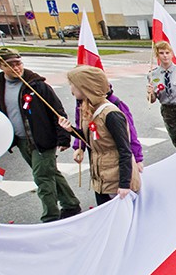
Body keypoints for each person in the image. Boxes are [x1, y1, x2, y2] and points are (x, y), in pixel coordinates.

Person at [0, 47, 81, 222]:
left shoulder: (37, 85)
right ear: (1, 66)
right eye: (11, 65)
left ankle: (50, 217)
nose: (17, 68)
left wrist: (63, 137)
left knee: (42, 177)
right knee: (50, 173)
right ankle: (71, 204)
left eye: (19, 63)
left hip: (43, 139)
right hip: (22, 140)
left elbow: (57, 111)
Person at [59, 65, 140, 205]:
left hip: (115, 180)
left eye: (73, 85)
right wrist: (71, 130)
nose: (71, 89)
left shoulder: (111, 114)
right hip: (101, 178)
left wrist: (125, 184)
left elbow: (124, 150)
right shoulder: (89, 107)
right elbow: (92, 138)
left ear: (86, 87)